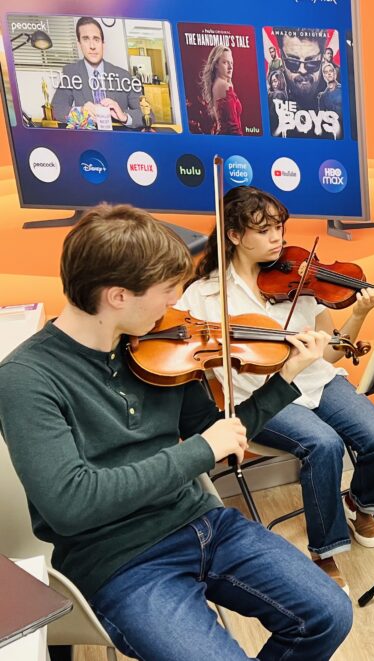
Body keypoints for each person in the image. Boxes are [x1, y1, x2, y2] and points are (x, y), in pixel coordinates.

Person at [0, 205, 350, 660]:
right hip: (118, 560)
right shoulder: (26, 378)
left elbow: (217, 434)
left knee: (329, 613)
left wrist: (286, 381)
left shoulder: (162, 346)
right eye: (168, 291)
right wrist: (200, 451)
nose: (175, 305)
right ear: (118, 296)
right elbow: (71, 504)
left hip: (202, 521)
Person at [177, 186, 374, 591]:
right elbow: (190, 356)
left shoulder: (299, 277)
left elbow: (331, 355)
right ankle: (326, 550)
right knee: (324, 445)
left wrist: (358, 315)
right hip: (258, 395)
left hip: (315, 379)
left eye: (280, 227)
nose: (278, 238)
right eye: (264, 230)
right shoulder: (204, 295)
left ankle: (360, 503)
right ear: (234, 236)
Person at [51, 17, 144, 129]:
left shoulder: (124, 75)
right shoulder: (71, 72)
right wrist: (80, 111)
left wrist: (124, 116)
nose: (92, 46)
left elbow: (148, 115)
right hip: (86, 139)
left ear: (103, 44)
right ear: (79, 44)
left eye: (96, 39)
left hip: (117, 139)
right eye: (86, 39)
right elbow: (56, 109)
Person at [201, 44, 243, 135]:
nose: (230, 67)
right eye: (225, 62)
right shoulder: (224, 86)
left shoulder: (217, 84)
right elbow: (233, 128)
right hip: (231, 143)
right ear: (216, 64)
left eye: (231, 63)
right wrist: (242, 146)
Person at [317, 62, 343, 137]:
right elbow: (321, 117)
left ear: (334, 73)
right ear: (324, 76)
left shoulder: (343, 90)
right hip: (332, 131)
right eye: (326, 72)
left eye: (330, 71)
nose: (329, 74)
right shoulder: (322, 96)